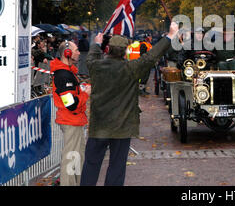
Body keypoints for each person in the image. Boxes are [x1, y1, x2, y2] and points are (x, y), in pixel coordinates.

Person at [80, 22, 178, 186]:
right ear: (125, 51)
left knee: (91, 165)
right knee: (116, 168)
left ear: (108, 50)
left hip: (99, 126)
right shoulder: (131, 68)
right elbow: (151, 56)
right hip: (122, 127)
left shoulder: (96, 66)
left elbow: (91, 56)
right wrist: (170, 36)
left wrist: (97, 43)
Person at [50, 40, 91, 186]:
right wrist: (86, 94)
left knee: (76, 157)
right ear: (67, 53)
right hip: (71, 120)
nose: (79, 52)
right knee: (71, 158)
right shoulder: (63, 75)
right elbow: (71, 105)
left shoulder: (68, 73)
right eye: (76, 50)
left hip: (75, 121)